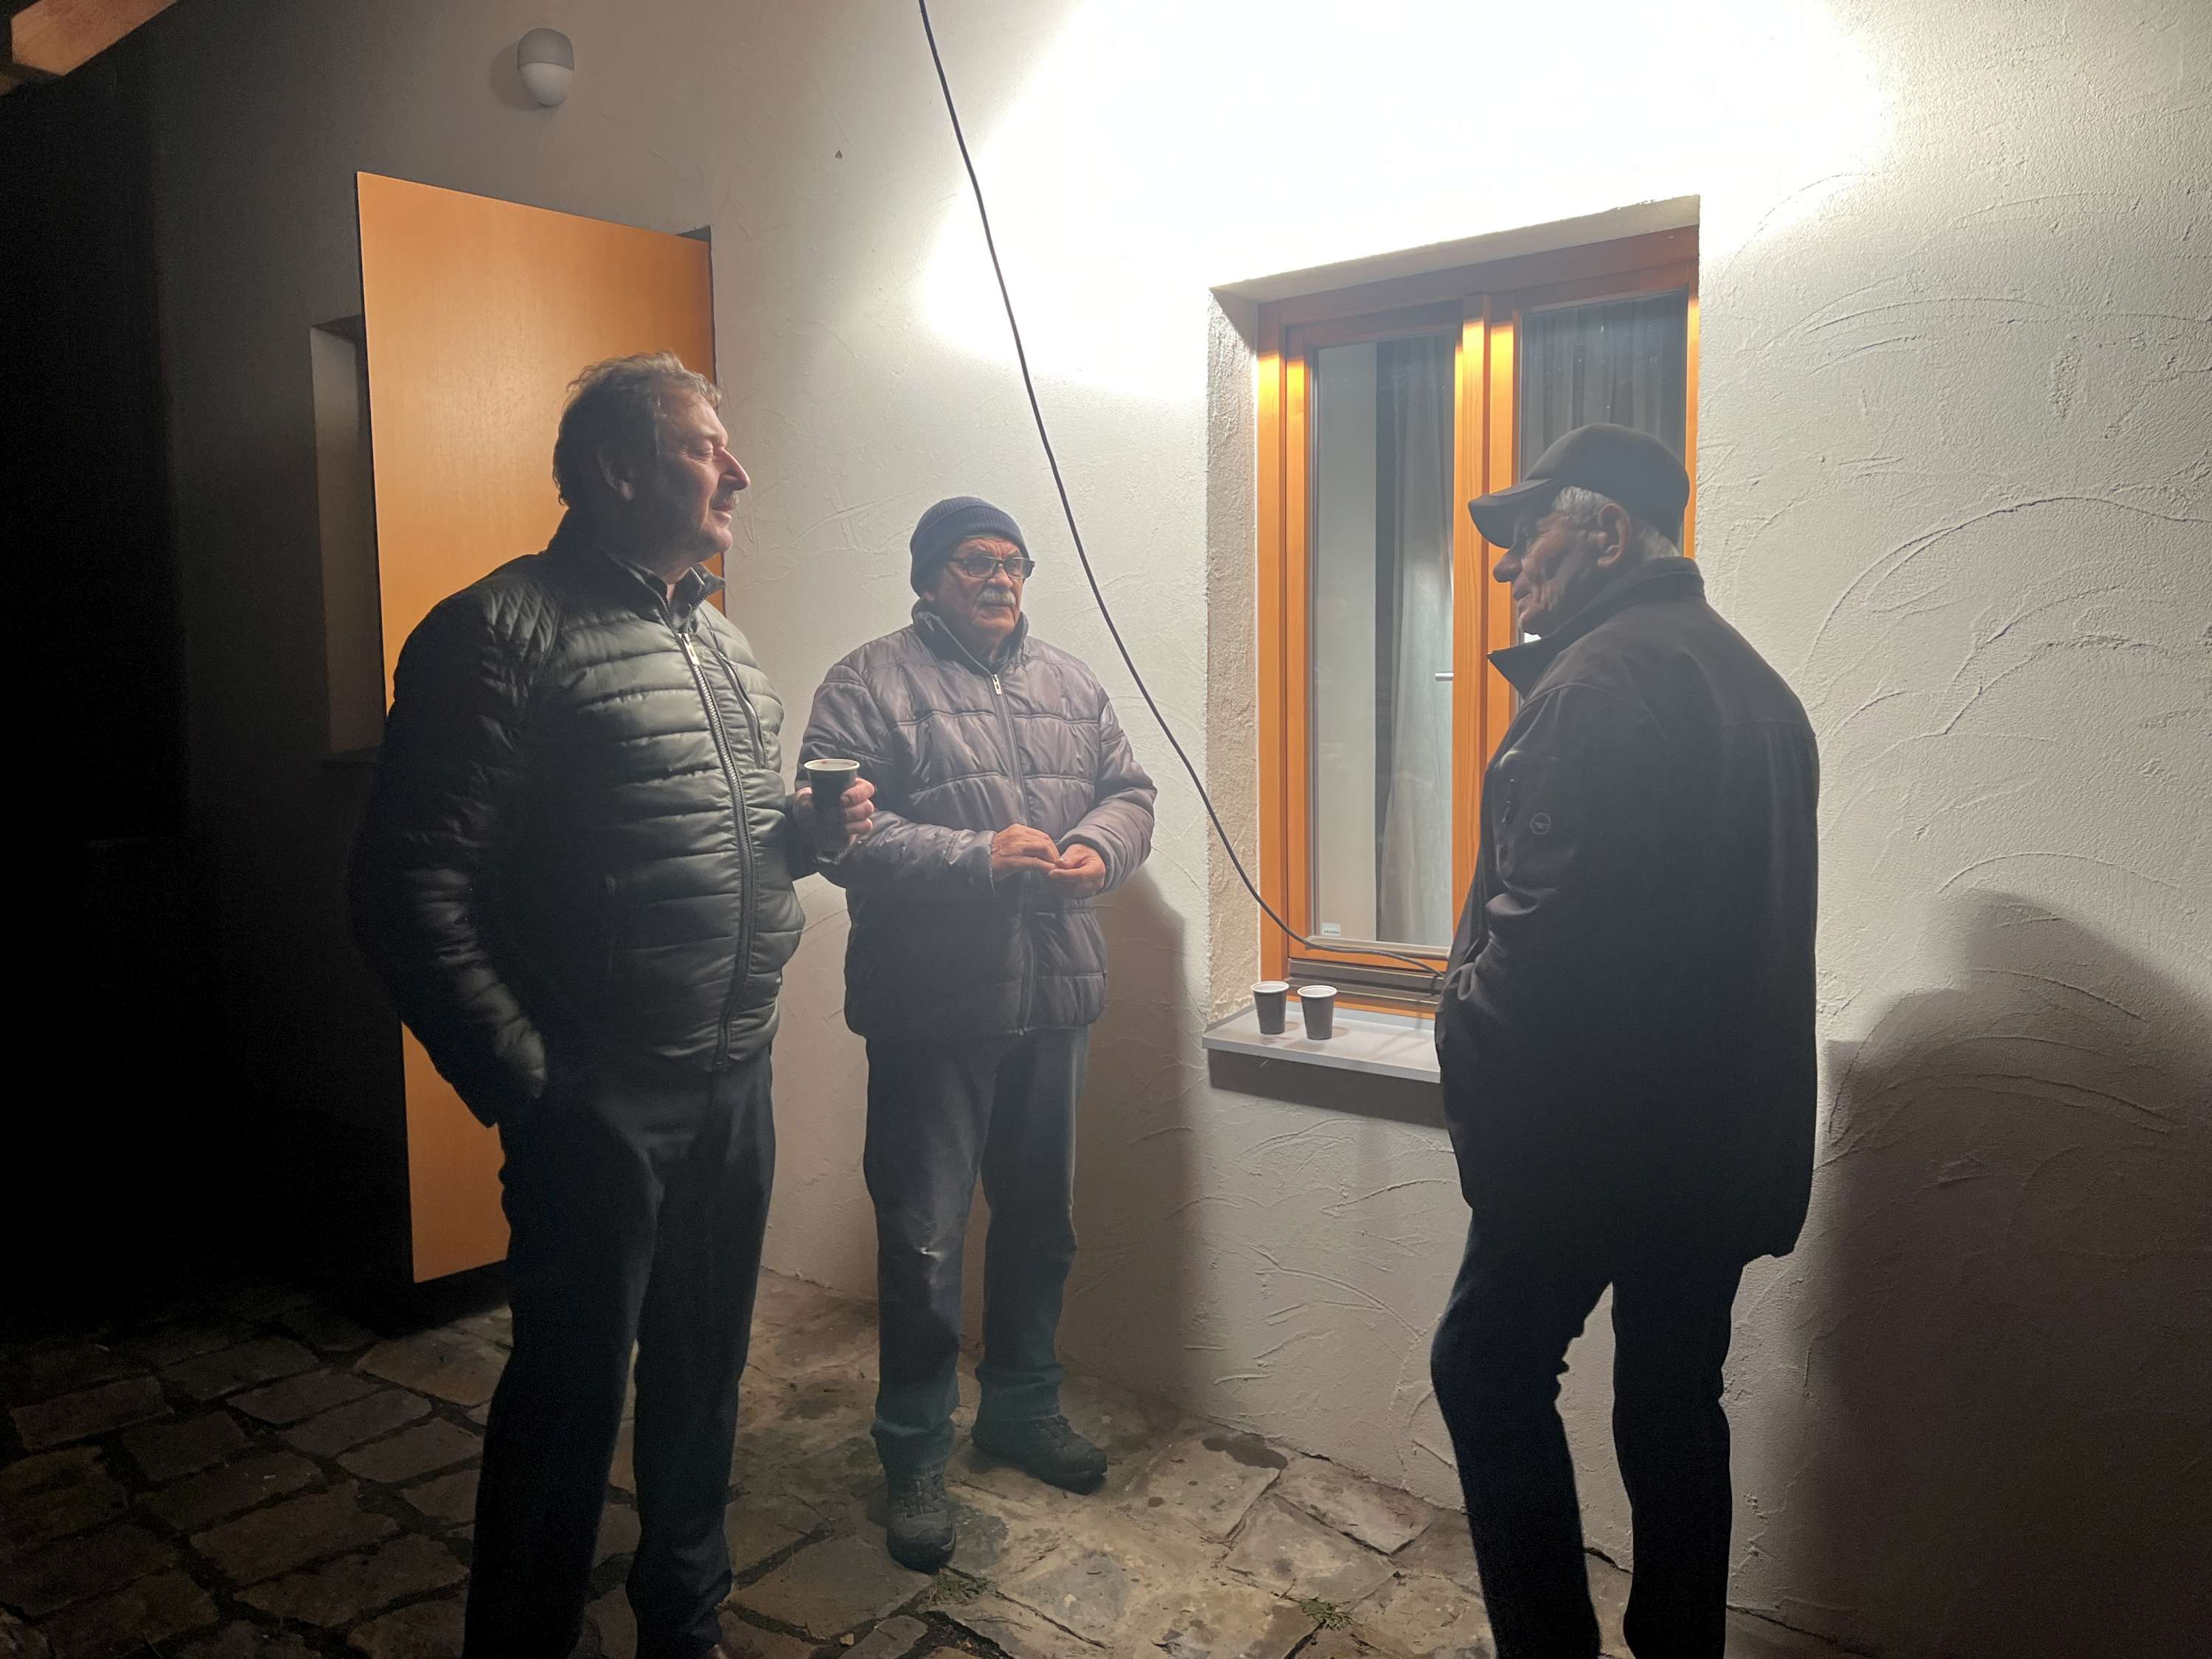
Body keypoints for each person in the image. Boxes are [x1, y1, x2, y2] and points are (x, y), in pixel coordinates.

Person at [350, 352, 872, 1659]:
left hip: (733, 1080)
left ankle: (682, 1622)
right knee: (569, 1399)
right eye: (707, 447)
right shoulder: (495, 630)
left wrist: (807, 837)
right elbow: (408, 892)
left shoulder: (723, 642)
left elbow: (716, 843)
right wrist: (531, 1085)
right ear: (620, 472)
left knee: (703, 1378)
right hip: (599, 1101)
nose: (738, 471)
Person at [1429, 425, 1819, 1659]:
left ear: (1604, 530)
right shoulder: (1761, 689)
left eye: (1525, 531)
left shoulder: (1595, 687)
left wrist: (1459, 1036)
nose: (1506, 566)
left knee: (1483, 1369)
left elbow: (1540, 961)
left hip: (1591, 1145)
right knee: (1670, 1404)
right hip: (1718, 1147)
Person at [799, 496, 1156, 1571]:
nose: (1001, 578)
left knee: (1041, 1224)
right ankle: (914, 1449)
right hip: (932, 1010)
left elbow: (1131, 791)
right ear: (928, 577)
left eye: (1014, 562)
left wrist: (1101, 847)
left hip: (1054, 998)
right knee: (922, 1243)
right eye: (974, 562)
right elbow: (837, 838)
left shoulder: (1072, 683)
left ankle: (1020, 1409)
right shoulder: (867, 681)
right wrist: (975, 858)